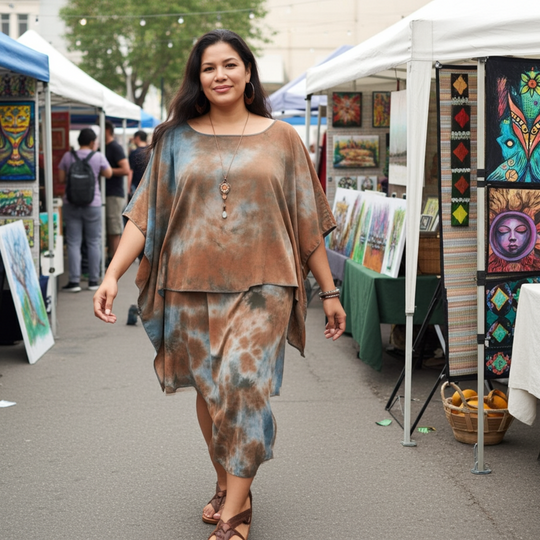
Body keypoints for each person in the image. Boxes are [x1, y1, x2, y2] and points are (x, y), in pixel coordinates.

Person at [93, 29, 346, 540]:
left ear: (248, 72)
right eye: (209, 68)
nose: (220, 75)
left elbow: (305, 220)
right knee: (211, 392)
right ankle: (229, 480)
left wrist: (331, 291)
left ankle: (235, 512)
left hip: (264, 285)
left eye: (230, 65)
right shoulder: (174, 139)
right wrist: (111, 273)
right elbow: (144, 216)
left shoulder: (283, 139)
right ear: (198, 78)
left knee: (243, 384)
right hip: (189, 284)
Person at [58, 128, 112, 292]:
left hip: (71, 203)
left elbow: (61, 179)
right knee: (94, 242)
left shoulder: (68, 156)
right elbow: (108, 173)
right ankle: (94, 280)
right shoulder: (98, 156)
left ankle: (74, 281)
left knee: (73, 242)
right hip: (93, 204)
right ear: (91, 142)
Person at [104, 121, 130, 261]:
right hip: (106, 193)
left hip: (114, 193)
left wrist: (107, 171)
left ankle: (116, 260)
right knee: (110, 228)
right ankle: (111, 257)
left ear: (107, 130)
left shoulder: (115, 147)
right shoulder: (103, 147)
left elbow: (125, 169)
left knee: (114, 229)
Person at [127, 130, 149, 198]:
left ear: (138, 138)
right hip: (150, 185)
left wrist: (128, 188)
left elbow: (130, 171)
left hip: (137, 186)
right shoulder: (152, 152)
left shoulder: (135, 153)